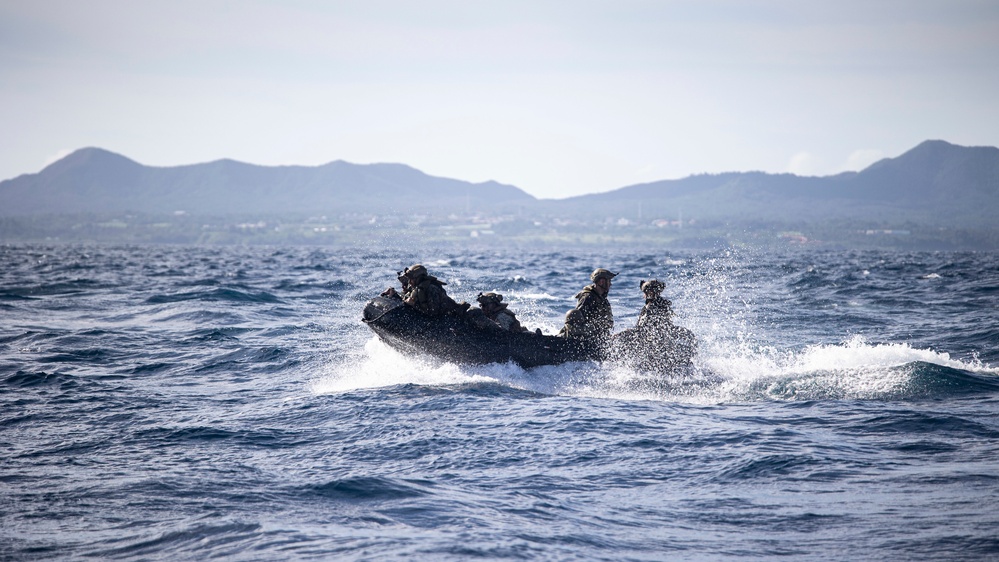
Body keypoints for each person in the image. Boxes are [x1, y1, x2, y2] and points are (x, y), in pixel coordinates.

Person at [558, 268, 616, 341]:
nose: (610, 284)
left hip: (599, 336)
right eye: (609, 281)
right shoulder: (588, 297)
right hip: (585, 337)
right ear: (601, 282)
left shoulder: (603, 300)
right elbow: (576, 322)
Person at [400, 263, 466, 317]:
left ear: (419, 278)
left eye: (411, 279)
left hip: (450, 317)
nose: (409, 282)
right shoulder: (416, 287)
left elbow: (434, 312)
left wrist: (414, 304)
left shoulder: (431, 289)